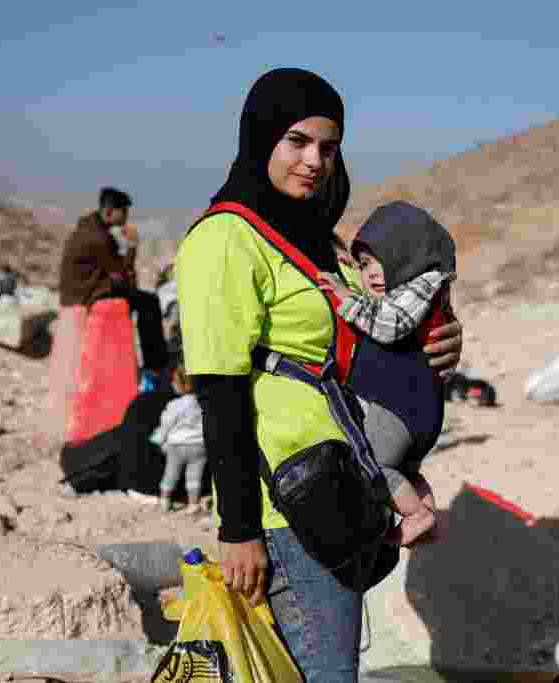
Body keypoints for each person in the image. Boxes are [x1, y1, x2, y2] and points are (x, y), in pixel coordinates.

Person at [176, 67, 462, 681]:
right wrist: (239, 528)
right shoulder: (226, 239)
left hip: (341, 489)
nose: (314, 161)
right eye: (297, 141)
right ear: (261, 138)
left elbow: (379, 330)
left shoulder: (310, 240)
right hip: (286, 505)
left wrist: (445, 339)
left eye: (328, 147)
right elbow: (220, 393)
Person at [317, 201, 456, 546]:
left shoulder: (420, 286)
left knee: (373, 461)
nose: (372, 274)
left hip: (402, 407)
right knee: (405, 471)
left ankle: (416, 515)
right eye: (364, 266)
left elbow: (390, 325)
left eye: (383, 260)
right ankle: (427, 518)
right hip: (413, 410)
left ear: (408, 255)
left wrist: (345, 296)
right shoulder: (412, 290)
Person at [57, 187, 169, 377]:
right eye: (123, 212)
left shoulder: (92, 228)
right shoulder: (98, 237)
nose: (126, 217)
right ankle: (156, 364)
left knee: (138, 298)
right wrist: (133, 245)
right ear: (109, 212)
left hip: (86, 289)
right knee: (149, 302)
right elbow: (122, 271)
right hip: (86, 294)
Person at [149, 364, 207, 513]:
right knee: (195, 475)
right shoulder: (202, 403)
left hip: (177, 446)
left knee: (171, 473)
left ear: (178, 384)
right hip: (199, 445)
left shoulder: (174, 405)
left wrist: (158, 439)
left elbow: (166, 424)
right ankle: (193, 504)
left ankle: (165, 501)